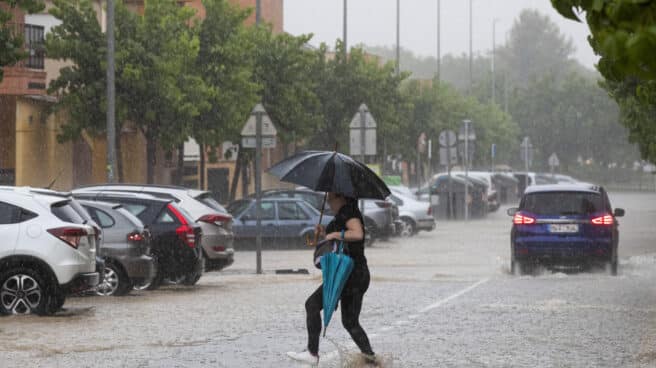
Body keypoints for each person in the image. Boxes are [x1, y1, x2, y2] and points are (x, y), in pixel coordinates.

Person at [287, 192, 376, 365]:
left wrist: (335, 235)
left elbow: (357, 234)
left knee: (312, 305)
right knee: (350, 322)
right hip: (354, 275)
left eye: (331, 199)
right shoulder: (343, 214)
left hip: (349, 275)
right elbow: (338, 242)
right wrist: (323, 233)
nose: (329, 203)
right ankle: (371, 359)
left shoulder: (348, 211)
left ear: (342, 197)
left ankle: (312, 353)